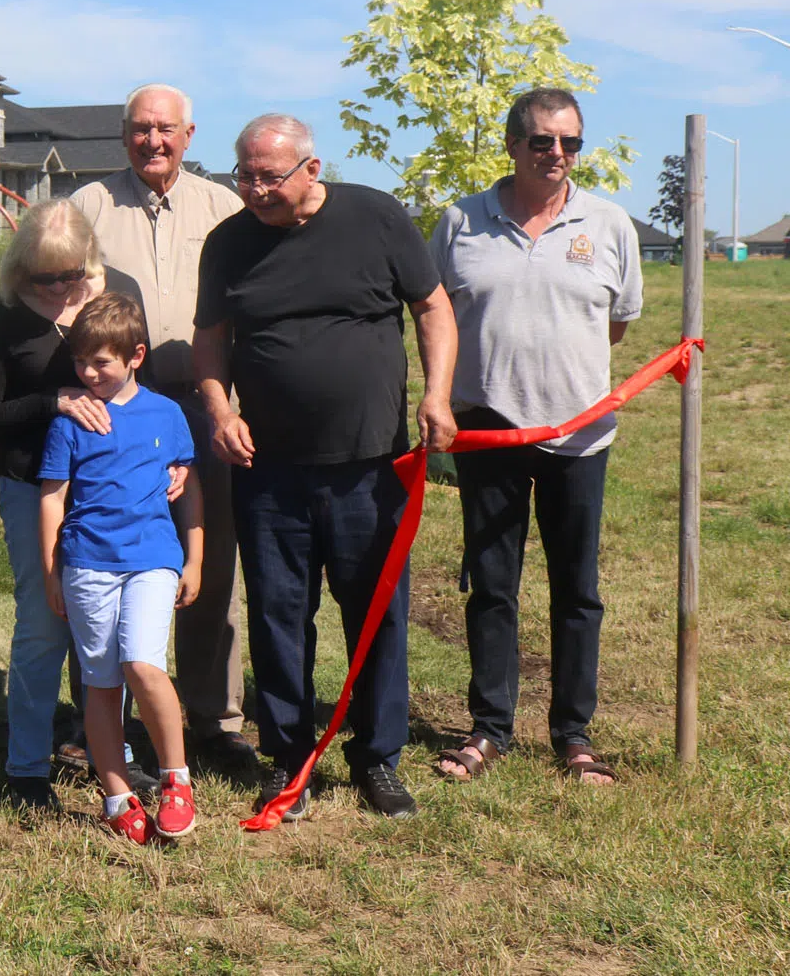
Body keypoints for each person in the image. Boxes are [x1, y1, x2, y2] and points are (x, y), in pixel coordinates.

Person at [192, 114, 457, 820]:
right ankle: (289, 758)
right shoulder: (229, 243)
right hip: (268, 471)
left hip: (370, 468)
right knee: (279, 615)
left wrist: (436, 394)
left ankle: (377, 758)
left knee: (376, 614)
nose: (253, 189)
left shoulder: (376, 217)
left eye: (267, 176)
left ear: (311, 168)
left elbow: (432, 308)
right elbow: (210, 339)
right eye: (242, 174)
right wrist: (221, 411)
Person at [428, 88, 641, 787]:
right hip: (486, 430)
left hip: (578, 436)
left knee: (577, 589)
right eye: (544, 140)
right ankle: (491, 728)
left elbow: (615, 324)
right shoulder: (460, 221)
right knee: (491, 587)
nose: (557, 154)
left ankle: (573, 735)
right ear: (513, 144)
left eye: (571, 142)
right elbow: (437, 317)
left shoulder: (609, 224)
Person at [69, 84, 255, 778]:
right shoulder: (88, 206)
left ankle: (215, 717)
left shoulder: (224, 206)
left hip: (205, 403)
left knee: (209, 563)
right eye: (142, 128)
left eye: (167, 128)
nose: (155, 140)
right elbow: (59, 304)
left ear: (189, 132)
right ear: (124, 134)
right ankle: (103, 722)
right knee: (105, 557)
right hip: (115, 410)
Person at [0, 198, 148, 811]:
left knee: (107, 627)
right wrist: (55, 401)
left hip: (109, 489)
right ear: (21, 270)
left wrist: (166, 462)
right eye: (49, 278)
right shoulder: (6, 312)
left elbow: (140, 391)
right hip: (30, 486)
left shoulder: (117, 292)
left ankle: (110, 759)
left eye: (74, 273)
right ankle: (25, 768)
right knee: (44, 625)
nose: (66, 288)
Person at [39, 292, 201, 844]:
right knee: (101, 684)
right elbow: (52, 498)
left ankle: (176, 780)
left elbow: (189, 489)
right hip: (86, 564)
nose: (87, 373)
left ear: (136, 355)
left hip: (152, 559)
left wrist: (195, 556)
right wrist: (51, 570)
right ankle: (116, 796)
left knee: (142, 664)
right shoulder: (72, 419)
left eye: (100, 362)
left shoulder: (168, 413)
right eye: (80, 362)